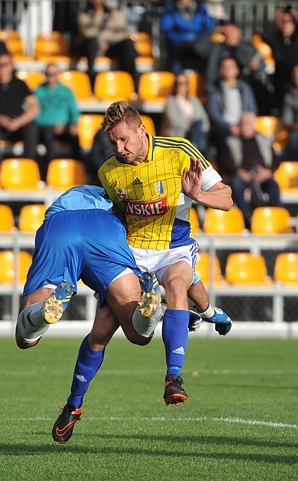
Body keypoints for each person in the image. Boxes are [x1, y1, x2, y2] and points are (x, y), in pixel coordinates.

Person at [98, 101, 234, 406]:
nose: (119, 148)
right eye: (113, 141)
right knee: (102, 330)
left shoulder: (180, 151)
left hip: (174, 247)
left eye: (124, 139)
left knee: (175, 285)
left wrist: (197, 194)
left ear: (142, 130)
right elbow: (116, 214)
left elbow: (227, 199)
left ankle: (173, 377)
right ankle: (207, 312)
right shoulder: (108, 171)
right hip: (133, 253)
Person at [14, 185, 166, 443]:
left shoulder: (81, 190)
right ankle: (150, 309)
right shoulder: (136, 200)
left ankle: (72, 404)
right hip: (104, 230)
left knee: (26, 338)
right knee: (137, 334)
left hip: (60, 227)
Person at [218, 111, 281, 228]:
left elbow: (276, 159)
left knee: (273, 186)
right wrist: (238, 172)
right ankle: (246, 219)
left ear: (254, 125)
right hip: (241, 176)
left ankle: (275, 218)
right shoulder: (231, 141)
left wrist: (268, 172)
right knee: (236, 184)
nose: (245, 126)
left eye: (248, 123)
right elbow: (224, 162)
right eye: (243, 123)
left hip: (261, 176)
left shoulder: (263, 139)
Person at [76, 0, 139, 87]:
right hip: (91, 48)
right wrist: (97, 17)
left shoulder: (115, 11)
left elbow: (121, 32)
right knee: (92, 42)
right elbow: (86, 32)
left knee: (128, 44)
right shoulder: (83, 14)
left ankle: (129, 80)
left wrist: (107, 41)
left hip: (110, 45)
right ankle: (90, 78)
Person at [199, 21, 268, 114]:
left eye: (232, 31)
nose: (229, 34)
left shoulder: (248, 48)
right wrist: (214, 30)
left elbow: (261, 66)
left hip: (245, 87)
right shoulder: (216, 48)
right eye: (227, 32)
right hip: (218, 88)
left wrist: (254, 67)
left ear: (239, 33)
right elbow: (199, 48)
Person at [159, 0, 215, 74]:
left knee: (212, 51)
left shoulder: (200, 7)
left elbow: (210, 27)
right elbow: (165, 28)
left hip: (197, 44)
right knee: (174, 51)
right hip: (179, 44)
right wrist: (181, 39)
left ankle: (208, 82)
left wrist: (208, 6)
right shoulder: (171, 7)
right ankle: (178, 79)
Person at [33, 63, 81, 175]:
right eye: (48, 74)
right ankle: (50, 172)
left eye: (54, 74)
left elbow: (74, 111)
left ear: (58, 75)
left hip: (64, 127)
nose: (51, 77)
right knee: (48, 137)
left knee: (75, 137)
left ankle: (78, 171)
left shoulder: (67, 91)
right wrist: (51, 124)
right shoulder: (38, 91)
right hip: (46, 127)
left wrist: (73, 124)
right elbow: (35, 114)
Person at [206, 56, 258, 155]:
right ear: (220, 70)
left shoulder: (245, 88)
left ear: (237, 70)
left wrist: (245, 124)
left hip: (243, 124)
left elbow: (252, 110)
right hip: (224, 127)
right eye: (225, 67)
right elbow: (214, 114)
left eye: (230, 67)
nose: (228, 69)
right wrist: (230, 127)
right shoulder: (214, 90)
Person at [261, 8, 298, 111]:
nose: (285, 25)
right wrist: (276, 21)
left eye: (289, 22)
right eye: (282, 22)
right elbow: (265, 35)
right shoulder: (276, 38)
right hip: (282, 77)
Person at [161, 72, 210, 155]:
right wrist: (192, 128)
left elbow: (204, 120)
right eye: (177, 83)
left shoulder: (194, 100)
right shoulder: (170, 101)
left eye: (182, 83)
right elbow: (175, 122)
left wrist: (197, 129)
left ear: (188, 85)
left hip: (195, 133)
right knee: (198, 137)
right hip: (179, 134)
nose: (179, 86)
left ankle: (195, 149)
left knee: (199, 126)